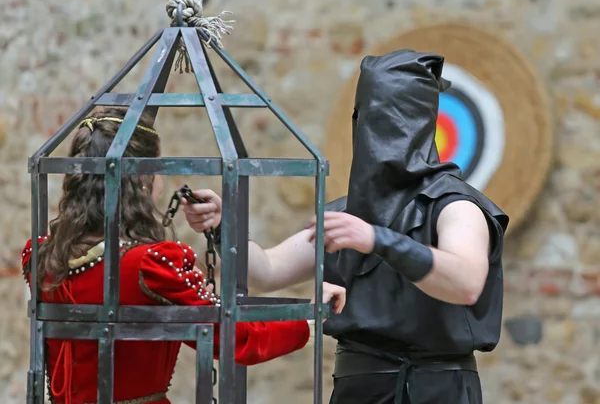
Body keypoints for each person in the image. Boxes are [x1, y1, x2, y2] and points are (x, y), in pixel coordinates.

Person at [183, 50, 509, 404]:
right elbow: (268, 271)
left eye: (394, 117)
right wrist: (222, 227)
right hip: (358, 389)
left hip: (437, 391)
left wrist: (375, 239)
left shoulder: (456, 207)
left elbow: (465, 284)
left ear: (420, 121)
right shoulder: (346, 215)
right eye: (371, 117)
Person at [22, 107, 346, 404]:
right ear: (143, 179)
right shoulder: (150, 264)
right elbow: (238, 338)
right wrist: (310, 316)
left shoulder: (38, 256)